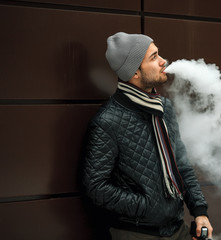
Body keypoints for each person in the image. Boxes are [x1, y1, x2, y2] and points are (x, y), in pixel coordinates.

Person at [81, 32, 213, 240]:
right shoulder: (108, 121)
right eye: (153, 58)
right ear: (134, 72)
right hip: (136, 234)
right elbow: (96, 187)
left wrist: (200, 211)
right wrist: (147, 206)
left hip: (176, 229)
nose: (163, 62)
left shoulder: (163, 107)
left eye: (159, 54)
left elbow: (181, 164)